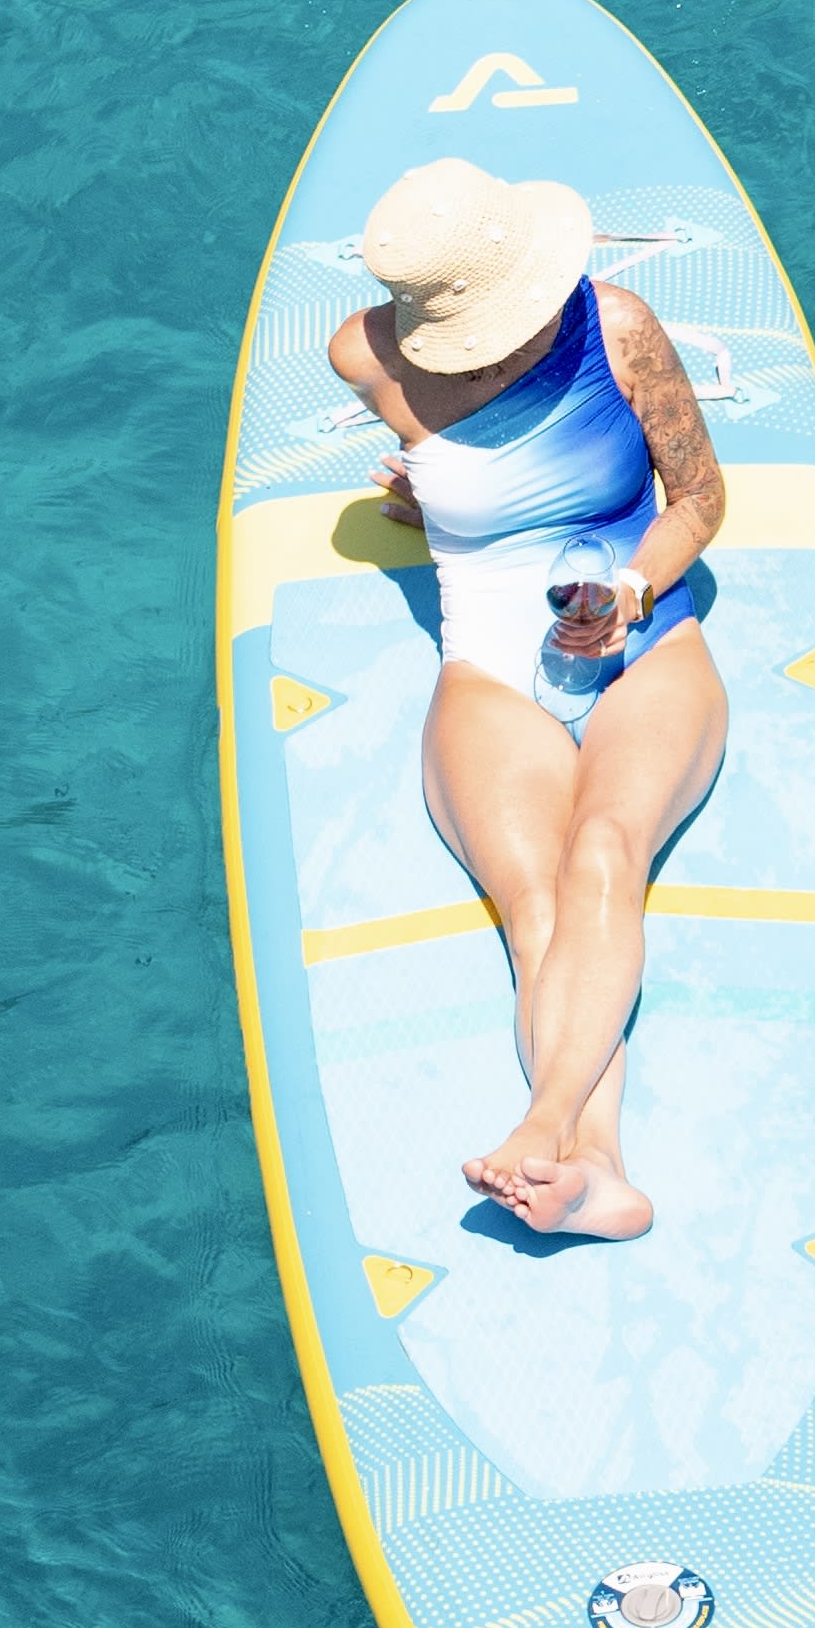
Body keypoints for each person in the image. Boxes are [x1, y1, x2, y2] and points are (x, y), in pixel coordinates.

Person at [328, 158, 728, 1240]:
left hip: (647, 637)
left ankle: (546, 1126)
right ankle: (596, 1174)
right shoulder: (363, 356)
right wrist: (430, 500)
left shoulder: (618, 327)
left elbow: (700, 498)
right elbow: (462, 486)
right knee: (536, 906)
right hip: (490, 665)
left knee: (605, 851)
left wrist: (633, 590)